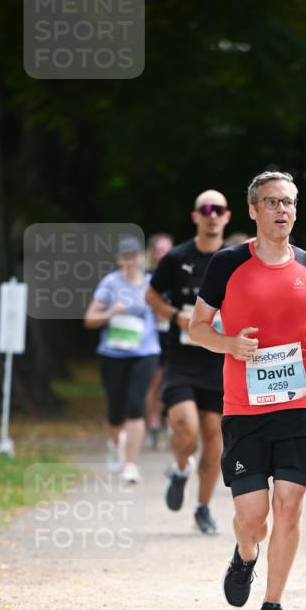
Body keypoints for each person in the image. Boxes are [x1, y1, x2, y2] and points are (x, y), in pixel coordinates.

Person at [189, 171, 306, 610]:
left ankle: (273, 605)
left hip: (300, 403)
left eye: (289, 203)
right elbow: (198, 327)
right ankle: (245, 554)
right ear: (253, 211)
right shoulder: (227, 264)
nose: (282, 211)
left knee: (290, 507)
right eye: (272, 202)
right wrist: (230, 344)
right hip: (244, 408)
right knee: (253, 517)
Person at [146, 190, 231, 535]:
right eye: (205, 209)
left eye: (219, 209)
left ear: (227, 216)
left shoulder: (233, 260)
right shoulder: (177, 257)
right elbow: (151, 294)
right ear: (195, 216)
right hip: (181, 360)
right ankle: (180, 468)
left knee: (213, 439)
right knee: (186, 427)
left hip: (218, 362)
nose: (212, 215)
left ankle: (203, 508)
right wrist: (173, 316)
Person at [84, 236, 160, 483]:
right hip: (112, 354)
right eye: (125, 256)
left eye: (134, 256)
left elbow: (165, 312)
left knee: (135, 404)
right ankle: (116, 441)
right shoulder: (110, 283)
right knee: (116, 408)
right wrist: (110, 312)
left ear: (141, 257)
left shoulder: (151, 283)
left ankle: (130, 463)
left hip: (145, 351)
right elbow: (89, 319)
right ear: (119, 259)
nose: (130, 261)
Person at [144, 232, 174, 449]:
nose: (162, 254)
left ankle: (172, 426)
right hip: (152, 336)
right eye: (158, 250)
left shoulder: (179, 274)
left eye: (166, 250)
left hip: (174, 335)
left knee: (173, 382)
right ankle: (153, 424)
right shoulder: (147, 277)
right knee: (154, 383)